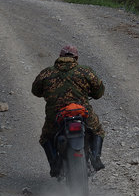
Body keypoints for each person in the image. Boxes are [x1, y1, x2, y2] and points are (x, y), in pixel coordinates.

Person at [32, 44, 106, 176]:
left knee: (45, 137)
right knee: (98, 130)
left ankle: (55, 164)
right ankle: (95, 158)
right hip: (82, 113)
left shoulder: (47, 72)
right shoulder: (85, 71)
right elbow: (99, 92)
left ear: (60, 57)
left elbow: (35, 91)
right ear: (76, 58)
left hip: (56, 116)